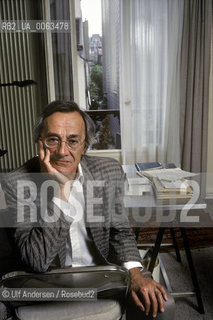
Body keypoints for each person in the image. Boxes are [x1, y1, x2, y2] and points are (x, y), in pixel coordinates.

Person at [2, 100, 173, 319]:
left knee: (161, 305)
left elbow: (120, 232)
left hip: (103, 275)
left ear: (85, 146)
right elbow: (37, 261)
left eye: (73, 141)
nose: (62, 151)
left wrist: (134, 271)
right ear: (40, 144)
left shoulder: (108, 172)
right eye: (53, 140)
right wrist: (59, 190)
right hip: (47, 284)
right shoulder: (16, 182)